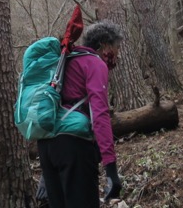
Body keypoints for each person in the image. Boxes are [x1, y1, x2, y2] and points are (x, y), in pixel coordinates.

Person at [38, 20, 124, 208]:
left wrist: (46, 175)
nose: (118, 54)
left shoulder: (65, 60)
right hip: (74, 146)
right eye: (117, 47)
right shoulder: (94, 63)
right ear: (104, 46)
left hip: (46, 146)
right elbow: (100, 114)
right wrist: (111, 170)